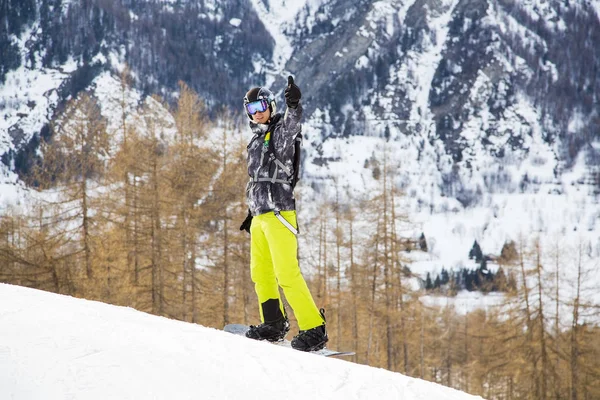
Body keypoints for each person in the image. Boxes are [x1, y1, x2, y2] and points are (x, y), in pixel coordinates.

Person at [239, 76, 328, 352]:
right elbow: (257, 180)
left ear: (271, 105)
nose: (257, 113)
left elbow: (293, 125)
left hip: (279, 214)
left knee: (287, 273)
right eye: (251, 109)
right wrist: (251, 212)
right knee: (260, 273)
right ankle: (273, 322)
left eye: (261, 106)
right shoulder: (254, 142)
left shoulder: (279, 132)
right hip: (259, 217)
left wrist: (294, 105)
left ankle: (314, 328)